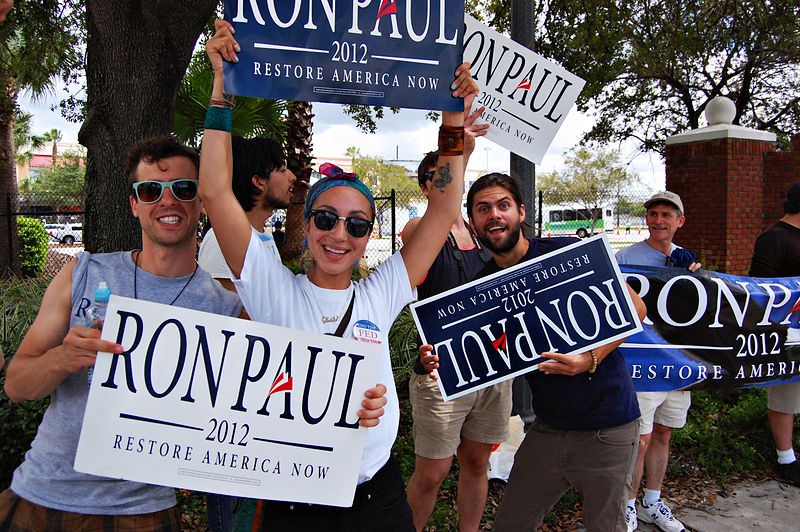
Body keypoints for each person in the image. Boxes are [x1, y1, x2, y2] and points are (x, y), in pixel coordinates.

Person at [199, 21, 477, 531]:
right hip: (295, 500)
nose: (339, 235)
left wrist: (452, 116)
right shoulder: (271, 287)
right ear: (306, 227)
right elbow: (216, 193)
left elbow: (442, 211)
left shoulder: (382, 291)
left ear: (369, 235)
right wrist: (222, 88)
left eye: (356, 224)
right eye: (325, 219)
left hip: (377, 494)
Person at [0, 135, 245, 530]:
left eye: (183, 189)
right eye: (150, 190)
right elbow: (16, 385)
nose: (167, 201)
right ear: (134, 205)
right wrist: (61, 359)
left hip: (141, 511)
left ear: (201, 202)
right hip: (41, 496)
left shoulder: (225, 308)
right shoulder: (81, 274)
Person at [422, 173, 647, 532]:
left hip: (609, 427)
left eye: (503, 205)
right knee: (511, 523)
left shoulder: (567, 253)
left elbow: (635, 309)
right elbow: (478, 355)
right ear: (474, 222)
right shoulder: (481, 288)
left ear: (521, 212)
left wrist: (587, 360)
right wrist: (439, 359)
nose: (494, 215)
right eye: (483, 209)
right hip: (548, 431)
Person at [405, 113, 502, 532]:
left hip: (492, 369)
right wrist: (458, 141)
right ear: (427, 185)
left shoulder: (484, 234)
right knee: (432, 472)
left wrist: (466, 147)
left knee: (477, 463)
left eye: (448, 171)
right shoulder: (420, 228)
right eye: (434, 175)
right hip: (441, 371)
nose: (442, 179)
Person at [197, 135, 295, 531]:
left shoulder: (261, 240)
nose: (292, 177)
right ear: (258, 181)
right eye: (282, 168)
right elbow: (228, 326)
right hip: (231, 411)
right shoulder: (225, 243)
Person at [615, 191, 700, 532]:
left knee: (664, 433)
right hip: (644, 364)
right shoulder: (626, 258)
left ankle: (653, 499)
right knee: (642, 436)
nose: (659, 220)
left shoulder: (687, 258)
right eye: (654, 214)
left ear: (679, 221)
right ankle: (628, 503)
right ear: (647, 219)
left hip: (678, 362)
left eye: (667, 214)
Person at [749, 181, 800, 487]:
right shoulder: (774, 238)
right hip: (789, 333)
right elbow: (760, 286)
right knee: (786, 394)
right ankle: (786, 458)